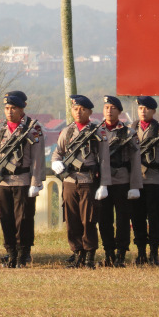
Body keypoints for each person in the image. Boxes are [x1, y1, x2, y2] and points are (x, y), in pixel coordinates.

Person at [0, 90, 44, 267]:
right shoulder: (1, 130)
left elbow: (37, 158)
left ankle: (23, 253)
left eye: (13, 108)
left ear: (22, 109)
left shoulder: (32, 130)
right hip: (4, 181)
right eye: (7, 108)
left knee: (23, 218)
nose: (9, 111)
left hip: (23, 180)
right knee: (6, 217)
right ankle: (10, 252)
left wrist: (36, 183)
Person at [50, 95, 111, 268]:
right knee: (72, 219)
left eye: (82, 109)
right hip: (69, 180)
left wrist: (104, 184)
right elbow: (58, 152)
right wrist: (55, 163)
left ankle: (90, 255)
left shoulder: (97, 132)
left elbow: (104, 159)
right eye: (75, 109)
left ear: (90, 111)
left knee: (89, 220)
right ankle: (77, 254)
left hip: (88, 180)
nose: (78, 112)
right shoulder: (67, 131)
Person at [97, 95, 142, 267]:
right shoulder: (97, 131)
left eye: (113, 108)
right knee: (104, 219)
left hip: (122, 179)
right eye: (106, 107)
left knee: (123, 219)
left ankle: (121, 254)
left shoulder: (129, 133)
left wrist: (135, 186)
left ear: (119, 111)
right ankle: (108, 253)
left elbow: (136, 161)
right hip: (102, 183)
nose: (109, 111)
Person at [130, 96, 159, 266]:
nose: (143, 111)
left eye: (146, 108)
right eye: (140, 108)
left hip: (154, 179)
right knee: (137, 218)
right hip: (135, 181)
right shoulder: (130, 129)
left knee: (154, 218)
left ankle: (154, 253)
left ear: (154, 111)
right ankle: (141, 253)